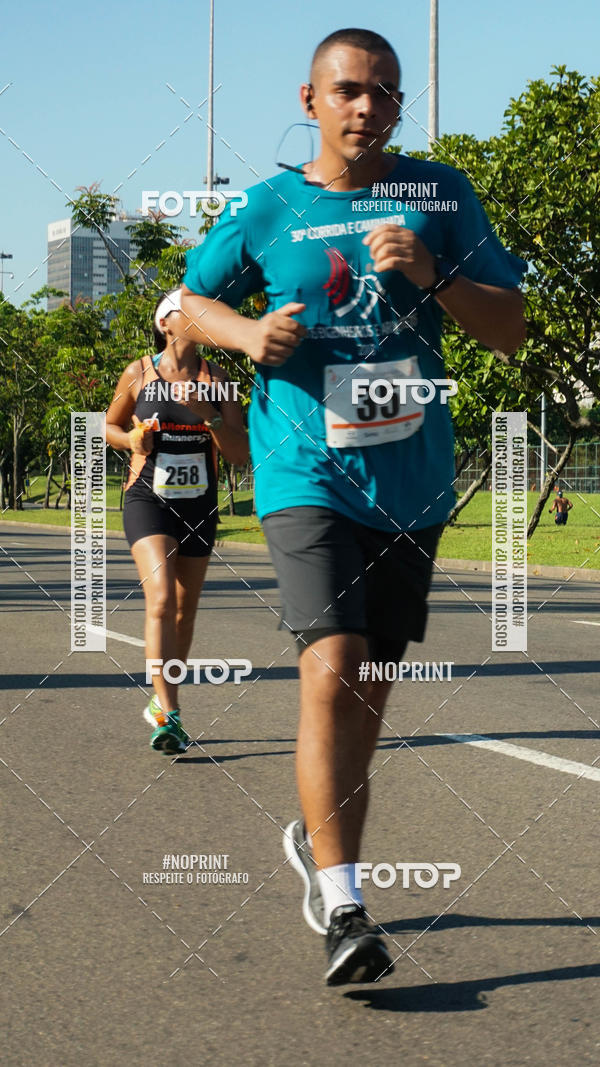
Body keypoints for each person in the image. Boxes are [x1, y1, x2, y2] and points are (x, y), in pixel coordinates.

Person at [177, 28, 527, 985]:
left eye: (384, 93)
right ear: (310, 98)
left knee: (370, 686)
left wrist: (434, 272)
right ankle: (345, 906)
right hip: (305, 473)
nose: (366, 107)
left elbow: (508, 331)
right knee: (332, 666)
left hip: (412, 480)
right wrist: (247, 331)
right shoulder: (267, 207)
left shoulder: (441, 196)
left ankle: (319, 839)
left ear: (399, 104)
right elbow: (180, 304)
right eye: (347, 91)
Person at [105, 288, 248, 753]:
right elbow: (107, 426)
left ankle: (165, 699)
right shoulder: (139, 373)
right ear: (166, 324)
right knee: (162, 598)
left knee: (185, 611)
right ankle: (169, 715)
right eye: (188, 314)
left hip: (199, 505)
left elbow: (241, 455)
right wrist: (132, 441)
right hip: (147, 498)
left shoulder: (219, 379)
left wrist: (209, 416)